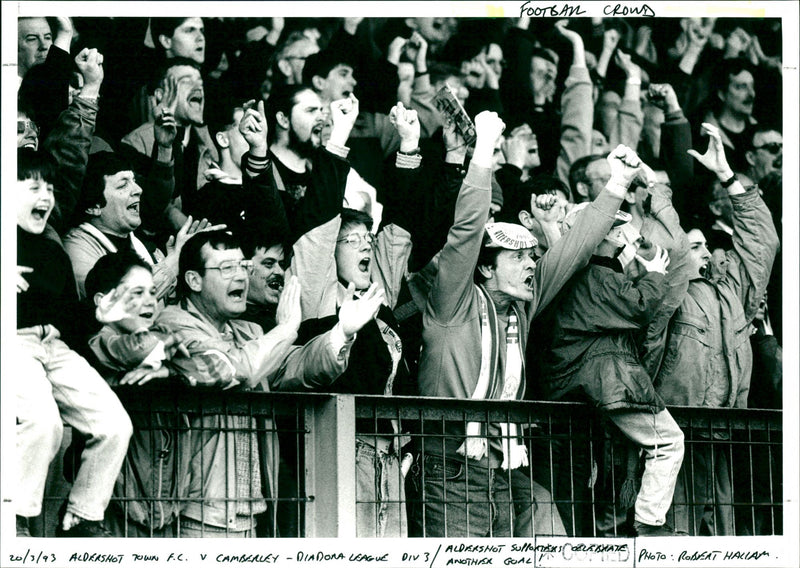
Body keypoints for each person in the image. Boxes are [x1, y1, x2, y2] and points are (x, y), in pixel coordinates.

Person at [414, 101, 635, 536]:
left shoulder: (522, 305)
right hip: (448, 463)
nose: (532, 264)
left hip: (500, 467)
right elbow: (465, 231)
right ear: (486, 268)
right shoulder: (452, 301)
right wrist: (483, 155)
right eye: (517, 258)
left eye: (531, 255)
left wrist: (618, 183)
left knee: (541, 515)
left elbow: (573, 249)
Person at [154, 229, 382, 536]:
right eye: (226, 269)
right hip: (195, 514)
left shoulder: (248, 331)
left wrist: (342, 332)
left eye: (243, 267)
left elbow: (296, 367)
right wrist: (286, 328)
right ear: (194, 281)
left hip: (250, 513)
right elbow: (232, 370)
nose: (240, 278)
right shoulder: (172, 324)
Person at [654, 122, 779, 535]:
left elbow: (762, 245)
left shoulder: (732, 294)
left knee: (720, 544)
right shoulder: (665, 295)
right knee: (674, 541)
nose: (706, 252)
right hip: (677, 435)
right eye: (694, 246)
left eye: (707, 246)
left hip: (723, 433)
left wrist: (729, 179)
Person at [15, 148, 132, 537]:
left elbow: (69, 316)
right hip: (13, 344)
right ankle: (14, 520)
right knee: (43, 423)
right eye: (33, 187)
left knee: (114, 424)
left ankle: (82, 516)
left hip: (54, 346)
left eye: (49, 187)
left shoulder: (52, 250)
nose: (46, 197)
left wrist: (101, 313)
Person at [84, 250, 189, 537]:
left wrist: (172, 368)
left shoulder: (161, 337)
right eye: (137, 292)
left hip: (162, 505)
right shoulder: (99, 343)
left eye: (153, 293)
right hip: (114, 507)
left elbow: (212, 362)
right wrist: (171, 341)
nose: (150, 302)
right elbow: (135, 349)